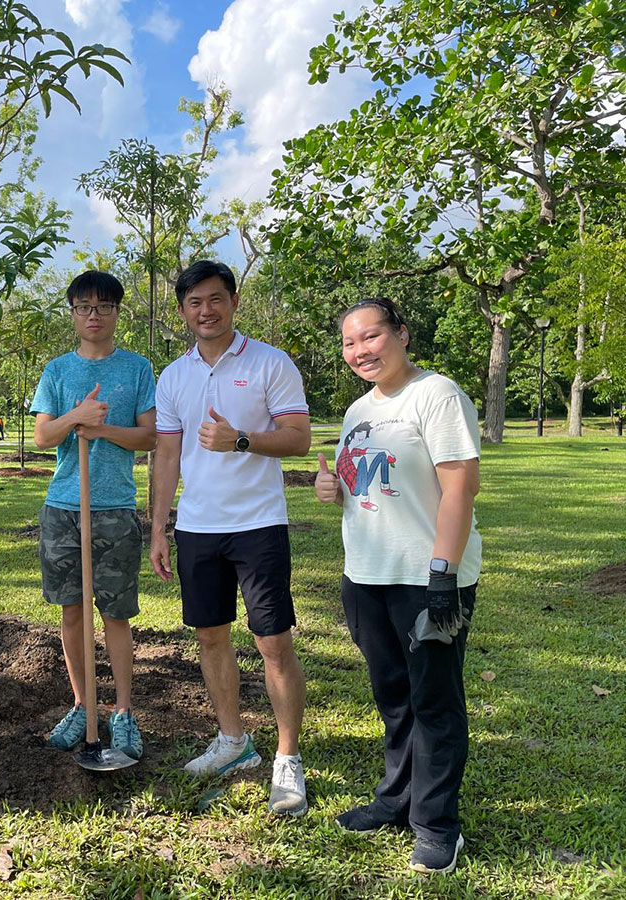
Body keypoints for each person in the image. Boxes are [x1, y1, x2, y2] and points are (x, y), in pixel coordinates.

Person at [315, 297, 480, 875]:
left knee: (434, 701)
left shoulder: (437, 395)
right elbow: (356, 477)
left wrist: (443, 576)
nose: (360, 350)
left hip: (425, 576)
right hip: (365, 575)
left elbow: (460, 489)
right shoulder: (358, 409)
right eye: (349, 343)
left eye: (371, 336)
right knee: (393, 697)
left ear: (401, 334)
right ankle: (397, 799)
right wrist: (328, 483)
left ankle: (438, 826)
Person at [149, 260, 312, 816]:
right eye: (195, 303)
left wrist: (240, 440)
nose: (206, 311)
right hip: (198, 528)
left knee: (273, 642)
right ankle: (233, 742)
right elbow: (167, 455)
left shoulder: (271, 362)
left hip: (259, 524)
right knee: (210, 637)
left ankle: (286, 762)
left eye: (216, 299)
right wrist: (160, 525)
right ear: (182, 312)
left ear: (234, 302)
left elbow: (298, 439)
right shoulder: (172, 376)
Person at [31, 271, 156, 761]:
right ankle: (83, 707)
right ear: (73, 313)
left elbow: (149, 437)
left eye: (103, 307)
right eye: (84, 307)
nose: (94, 315)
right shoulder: (58, 370)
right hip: (63, 507)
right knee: (72, 611)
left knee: (116, 614)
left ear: (116, 312)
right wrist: (76, 419)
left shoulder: (137, 368)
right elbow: (44, 436)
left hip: (114, 507)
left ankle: (123, 713)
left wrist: (103, 431)